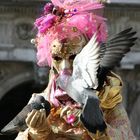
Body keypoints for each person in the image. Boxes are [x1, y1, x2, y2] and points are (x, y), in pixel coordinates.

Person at [15, 0, 136, 139]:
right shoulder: (43, 100)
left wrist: (94, 126)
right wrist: (37, 132)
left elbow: (126, 136)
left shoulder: (106, 98)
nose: (65, 67)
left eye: (73, 57)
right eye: (58, 58)